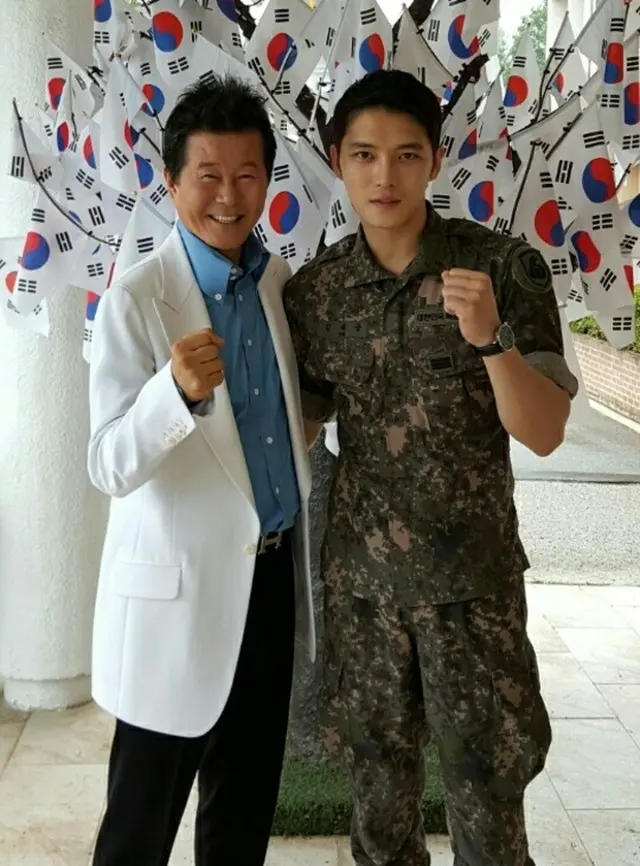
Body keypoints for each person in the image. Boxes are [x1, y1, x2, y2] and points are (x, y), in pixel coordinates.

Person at [283, 69, 579, 866]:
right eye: (365, 155)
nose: (385, 176)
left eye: (407, 154)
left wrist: (491, 339)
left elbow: (545, 432)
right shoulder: (317, 293)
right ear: (338, 160)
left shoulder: (503, 270)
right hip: (365, 595)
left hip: (473, 594)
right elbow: (300, 425)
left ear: (436, 160)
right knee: (380, 814)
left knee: (489, 809)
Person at [87, 75, 314, 866]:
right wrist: (171, 394)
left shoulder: (278, 284)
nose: (228, 196)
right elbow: (107, 463)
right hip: (175, 600)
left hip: (270, 586)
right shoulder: (135, 301)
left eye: (248, 174)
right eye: (208, 175)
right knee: (137, 829)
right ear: (173, 181)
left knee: (240, 820)